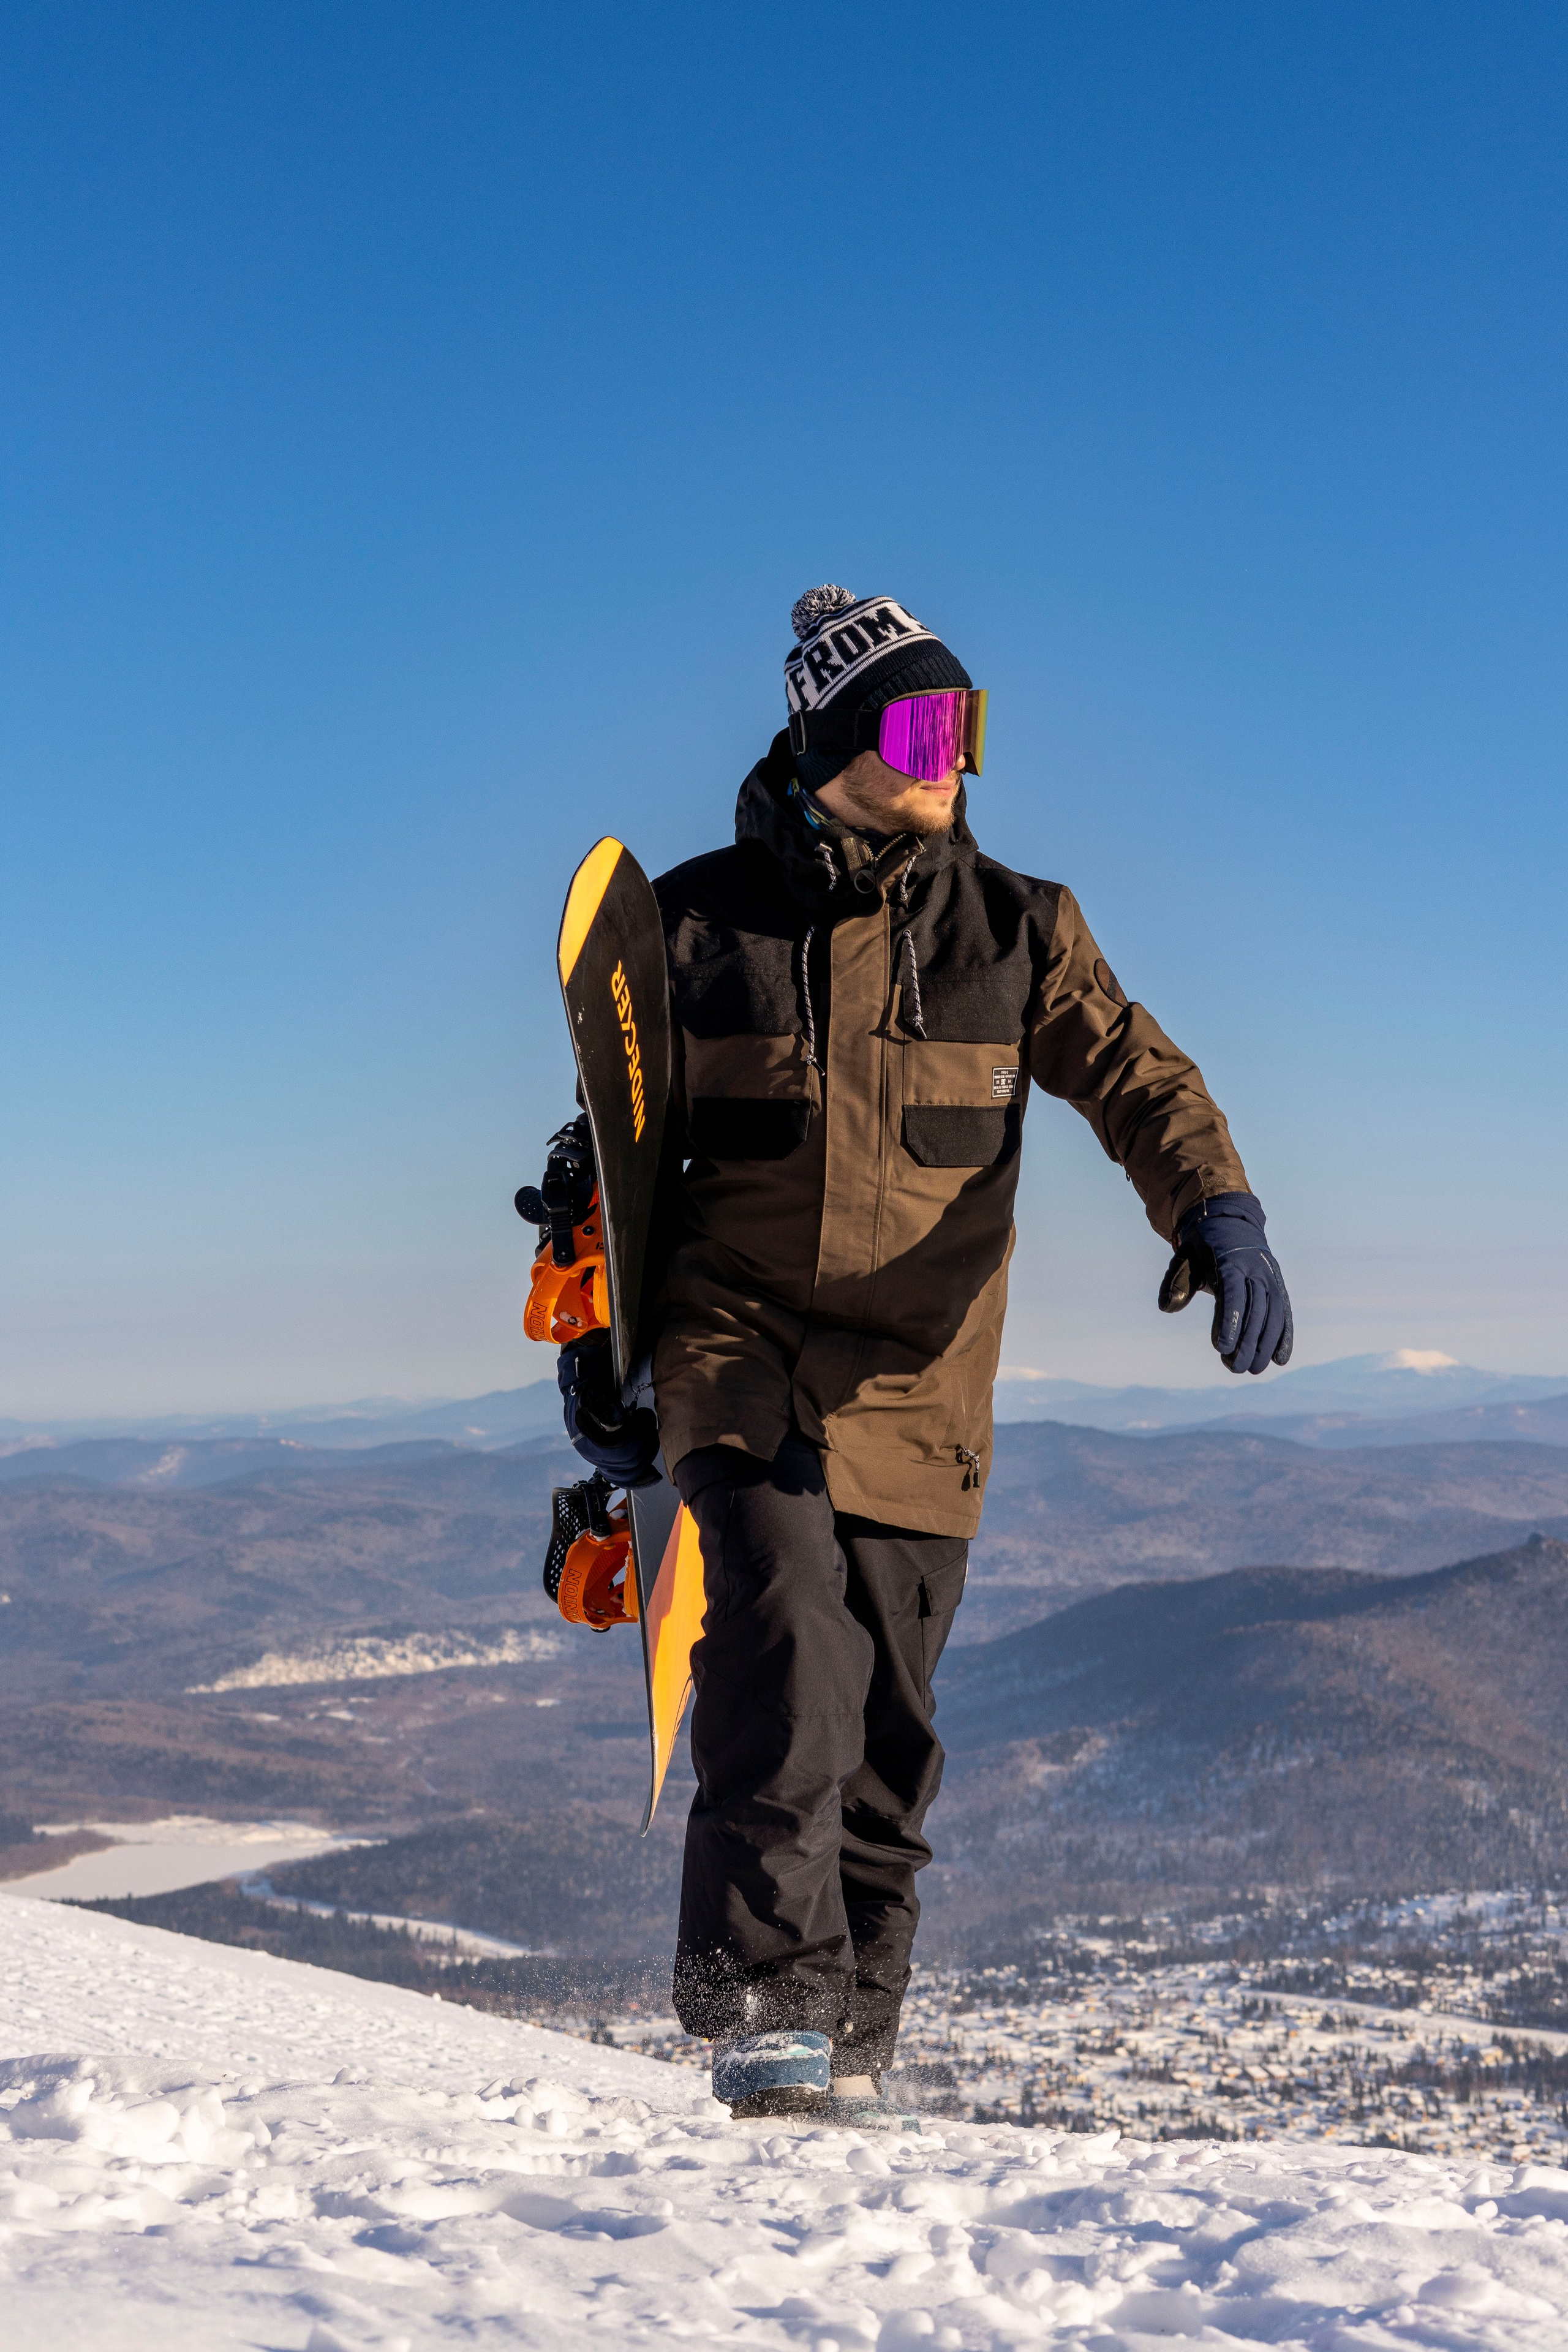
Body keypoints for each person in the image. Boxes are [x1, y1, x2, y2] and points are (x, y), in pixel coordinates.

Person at [559, 585, 1292, 2126]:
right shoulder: (698, 927)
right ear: (835, 737)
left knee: (889, 1735)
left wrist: (1216, 1207)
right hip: (735, 1341)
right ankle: (763, 2017)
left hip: (919, 1377)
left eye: (965, 724)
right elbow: (613, 1160)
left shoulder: (1016, 930)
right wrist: (596, 1345)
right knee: (781, 1649)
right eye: (919, 724)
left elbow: (1141, 1078)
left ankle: (852, 2041)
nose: (952, 755)